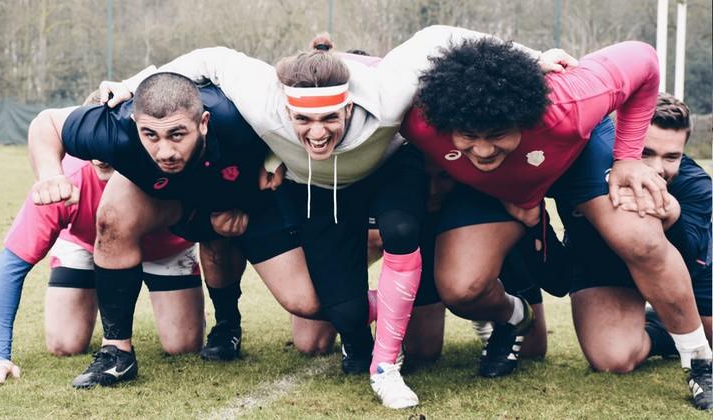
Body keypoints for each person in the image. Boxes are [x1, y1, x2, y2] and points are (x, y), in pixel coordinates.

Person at [99, 26, 572, 408]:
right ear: (285, 109)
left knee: (402, 229)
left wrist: (527, 57)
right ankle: (388, 329)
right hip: (323, 190)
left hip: (389, 171)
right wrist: (136, 84)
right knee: (340, 309)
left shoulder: (385, 95)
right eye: (304, 121)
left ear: (348, 105)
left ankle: (387, 367)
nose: (318, 133)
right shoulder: (264, 100)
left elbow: (436, 36)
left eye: (330, 119)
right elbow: (208, 57)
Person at [401, 38, 712, 409]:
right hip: (499, 189)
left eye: (498, 134)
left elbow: (644, 59)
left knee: (639, 238)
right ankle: (515, 317)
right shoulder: (418, 121)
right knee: (461, 287)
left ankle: (699, 361)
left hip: (578, 159)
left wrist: (629, 157)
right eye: (468, 136)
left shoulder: (569, 104)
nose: (483, 149)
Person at [28, 75, 321, 388]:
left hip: (238, 197)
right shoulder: (118, 127)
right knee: (112, 217)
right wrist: (48, 174)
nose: (165, 150)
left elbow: (300, 121)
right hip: (164, 196)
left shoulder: (235, 116)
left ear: (204, 122)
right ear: (134, 122)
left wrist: (276, 158)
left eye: (177, 134)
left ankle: (227, 325)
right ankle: (117, 352)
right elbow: (48, 123)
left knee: (307, 307)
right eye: (151, 135)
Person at [0, 155, 204, 385]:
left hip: (165, 248)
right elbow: (9, 266)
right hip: (86, 244)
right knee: (64, 343)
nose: (101, 155)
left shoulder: (166, 162)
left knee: (182, 345)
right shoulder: (65, 179)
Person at [556, 92, 711, 409]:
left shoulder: (696, 184)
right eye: (645, 153)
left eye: (671, 157)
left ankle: (679, 323)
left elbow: (694, 250)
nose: (657, 168)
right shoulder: (581, 170)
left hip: (688, 271)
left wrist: (671, 216)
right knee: (614, 358)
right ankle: (663, 331)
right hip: (603, 267)